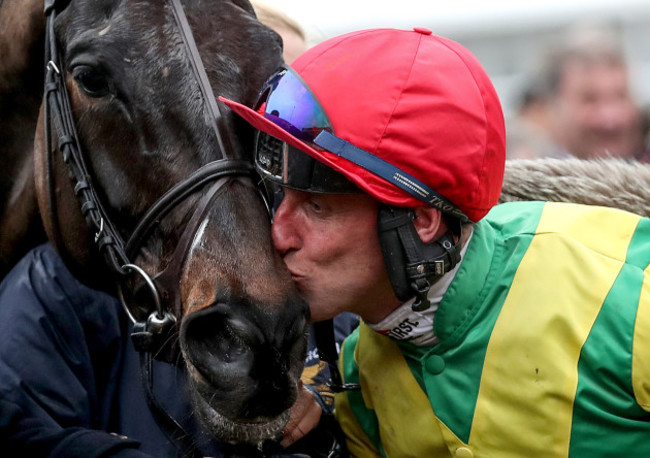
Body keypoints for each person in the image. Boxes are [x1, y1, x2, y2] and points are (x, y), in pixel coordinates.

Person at [220, 26, 650, 456]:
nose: (278, 233)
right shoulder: (356, 378)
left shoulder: (627, 291)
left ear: (423, 220)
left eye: (317, 207)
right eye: (281, 196)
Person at [508, 22, 646, 160]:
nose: (610, 118)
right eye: (590, 99)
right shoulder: (523, 171)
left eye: (620, 96)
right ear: (554, 107)